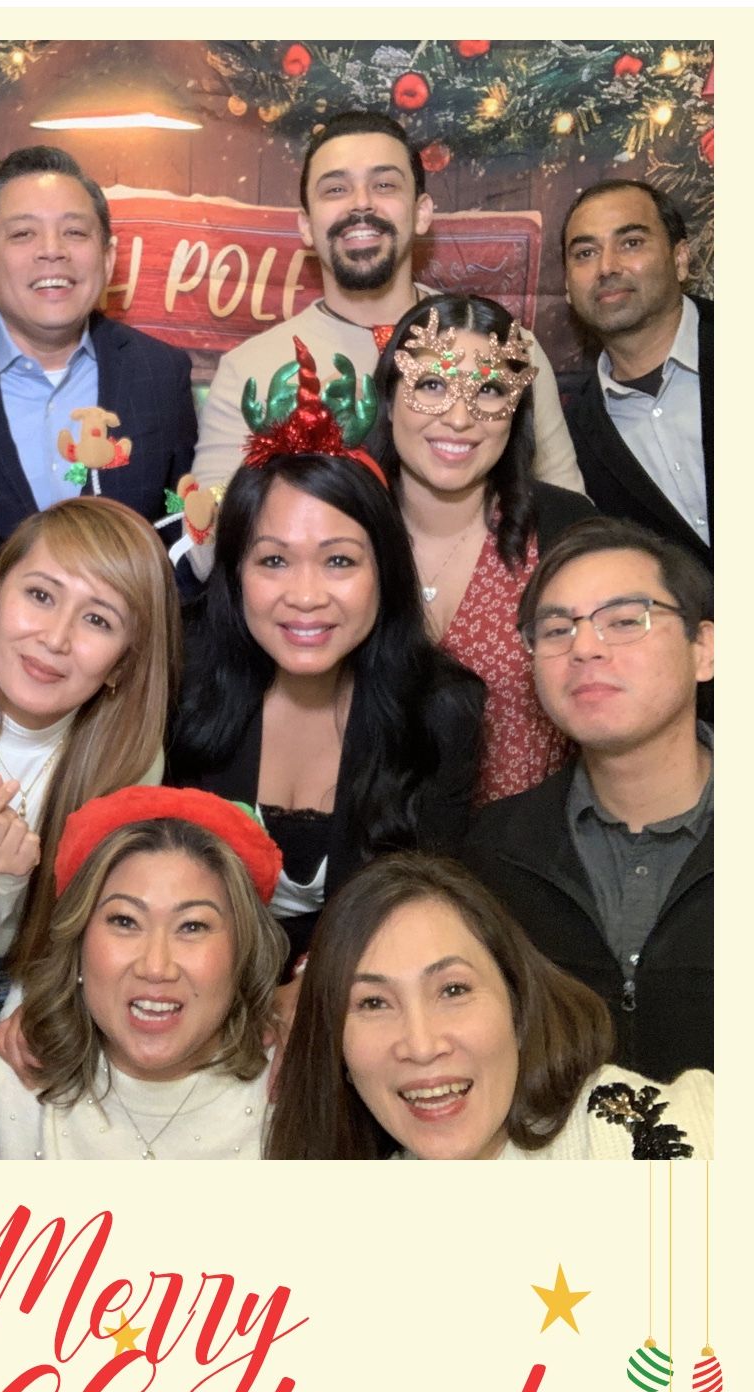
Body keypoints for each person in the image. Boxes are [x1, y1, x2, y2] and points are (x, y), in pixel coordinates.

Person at [189, 108, 582, 573]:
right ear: (305, 225)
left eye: (385, 185)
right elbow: (206, 550)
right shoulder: (252, 369)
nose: (361, 204)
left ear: (421, 213)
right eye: (336, 189)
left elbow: (569, 528)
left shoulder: (506, 350)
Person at [167, 409, 485, 974]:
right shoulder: (179, 680)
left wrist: (319, 990)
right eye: (274, 560)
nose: (306, 595)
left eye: (339, 560)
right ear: (235, 572)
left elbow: (430, 904)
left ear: (384, 571)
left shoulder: (441, 708)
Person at [0, 496, 179, 1032]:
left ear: (124, 662)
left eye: (97, 619)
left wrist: (32, 1010)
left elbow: (90, 934)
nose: (56, 638)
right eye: (41, 595)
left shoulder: (130, 753)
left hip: (55, 986)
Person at [459, 517, 712, 1081]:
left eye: (625, 621)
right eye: (556, 631)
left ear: (706, 649)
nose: (585, 648)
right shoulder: (493, 854)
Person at [265, 853, 712, 1161]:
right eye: (374, 1002)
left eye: (453, 990)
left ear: (518, 1003)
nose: (421, 1045)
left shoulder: (665, 1127)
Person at [0, 787, 288, 1159]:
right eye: (125, 921)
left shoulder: (298, 1095)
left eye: (193, 926)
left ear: (242, 951)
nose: (155, 967)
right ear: (78, 942)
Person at [372, 294, 595, 802]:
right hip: (367, 861)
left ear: (515, 413)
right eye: (431, 384)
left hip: (520, 859)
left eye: (490, 390)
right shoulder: (340, 531)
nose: (458, 418)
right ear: (389, 398)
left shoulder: (564, 529)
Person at [0, 145, 198, 547]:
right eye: (23, 234)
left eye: (74, 232)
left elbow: (184, 535)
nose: (52, 250)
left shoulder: (160, 373)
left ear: (107, 259)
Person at [561, 180, 712, 569]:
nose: (607, 267)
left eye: (631, 243)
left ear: (680, 260)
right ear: (566, 286)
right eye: (585, 252)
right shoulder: (573, 436)